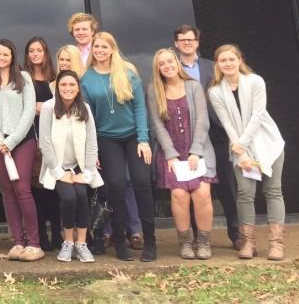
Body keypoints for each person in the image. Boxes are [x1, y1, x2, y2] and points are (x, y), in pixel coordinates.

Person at [80, 31, 156, 262]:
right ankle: (121, 241)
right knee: (116, 184)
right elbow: (89, 118)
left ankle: (150, 242)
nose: (100, 50)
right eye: (97, 47)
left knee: (142, 182)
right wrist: (91, 151)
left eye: (105, 47)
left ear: (112, 48)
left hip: (133, 135)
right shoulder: (87, 79)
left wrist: (143, 139)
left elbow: (140, 108)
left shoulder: (128, 73)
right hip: (106, 137)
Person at [207, 44, 286, 261]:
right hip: (239, 149)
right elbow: (226, 123)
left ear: (240, 60)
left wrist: (242, 143)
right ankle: (248, 242)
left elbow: (258, 115)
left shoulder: (255, 81)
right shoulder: (215, 92)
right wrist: (240, 152)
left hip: (268, 143)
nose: (228, 64)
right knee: (244, 194)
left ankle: (276, 243)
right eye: (223, 61)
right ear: (218, 65)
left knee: (273, 191)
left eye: (231, 59)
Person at [173, 24, 241, 249]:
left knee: (227, 185)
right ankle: (195, 237)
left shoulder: (213, 67)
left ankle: (237, 233)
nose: (186, 43)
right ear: (176, 44)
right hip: (189, 137)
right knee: (192, 186)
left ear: (197, 43)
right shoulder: (173, 68)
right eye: (182, 40)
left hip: (217, 133)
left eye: (190, 40)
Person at [147, 49, 217, 260]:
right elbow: (157, 125)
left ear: (177, 63)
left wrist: (196, 151)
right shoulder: (154, 90)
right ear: (157, 68)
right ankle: (185, 241)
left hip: (199, 150)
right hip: (172, 154)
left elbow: (203, 121)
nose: (167, 66)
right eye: (162, 64)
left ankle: (203, 241)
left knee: (202, 194)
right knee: (179, 196)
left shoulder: (193, 86)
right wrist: (170, 154)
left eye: (170, 61)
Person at [0, 39, 44, 262]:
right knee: (7, 191)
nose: (1, 58)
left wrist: (14, 139)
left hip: (22, 141)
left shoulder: (24, 78)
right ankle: (18, 242)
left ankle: (34, 243)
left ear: (12, 56)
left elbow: (29, 112)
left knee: (22, 189)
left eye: (5, 54)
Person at [38, 70, 102, 263]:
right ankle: (68, 241)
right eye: (63, 85)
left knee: (81, 195)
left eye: (72, 85)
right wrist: (59, 172)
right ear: (57, 87)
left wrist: (89, 172)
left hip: (80, 166)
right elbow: (45, 142)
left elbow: (92, 143)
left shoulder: (85, 109)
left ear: (78, 88)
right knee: (68, 197)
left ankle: (81, 244)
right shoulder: (49, 107)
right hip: (56, 166)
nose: (68, 88)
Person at [22, 37, 61, 251]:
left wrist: (44, 106)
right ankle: (41, 235)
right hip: (31, 137)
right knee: (35, 188)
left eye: (39, 50)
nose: (35, 54)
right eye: (31, 50)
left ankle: (57, 232)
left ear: (45, 53)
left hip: (53, 137)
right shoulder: (23, 78)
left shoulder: (54, 78)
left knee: (53, 188)